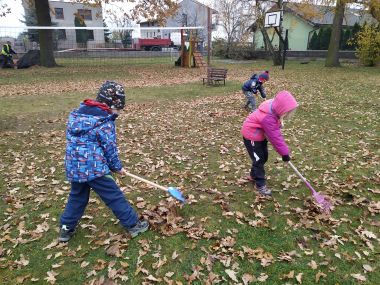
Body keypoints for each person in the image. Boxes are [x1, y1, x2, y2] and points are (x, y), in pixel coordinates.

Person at [59, 81, 149, 242]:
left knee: (77, 196)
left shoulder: (77, 116)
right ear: (111, 104)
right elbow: (109, 148)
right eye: (118, 109)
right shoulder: (104, 122)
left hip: (74, 166)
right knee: (113, 195)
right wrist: (116, 167)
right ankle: (133, 224)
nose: (119, 113)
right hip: (95, 168)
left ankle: (66, 228)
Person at [241, 90, 298, 196]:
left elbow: (275, 119)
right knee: (259, 160)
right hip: (251, 137)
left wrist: (279, 121)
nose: (287, 115)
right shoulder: (268, 118)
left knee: (263, 157)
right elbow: (275, 138)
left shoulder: (273, 106)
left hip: (260, 135)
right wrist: (284, 154)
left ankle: (254, 175)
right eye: (287, 113)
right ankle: (260, 184)